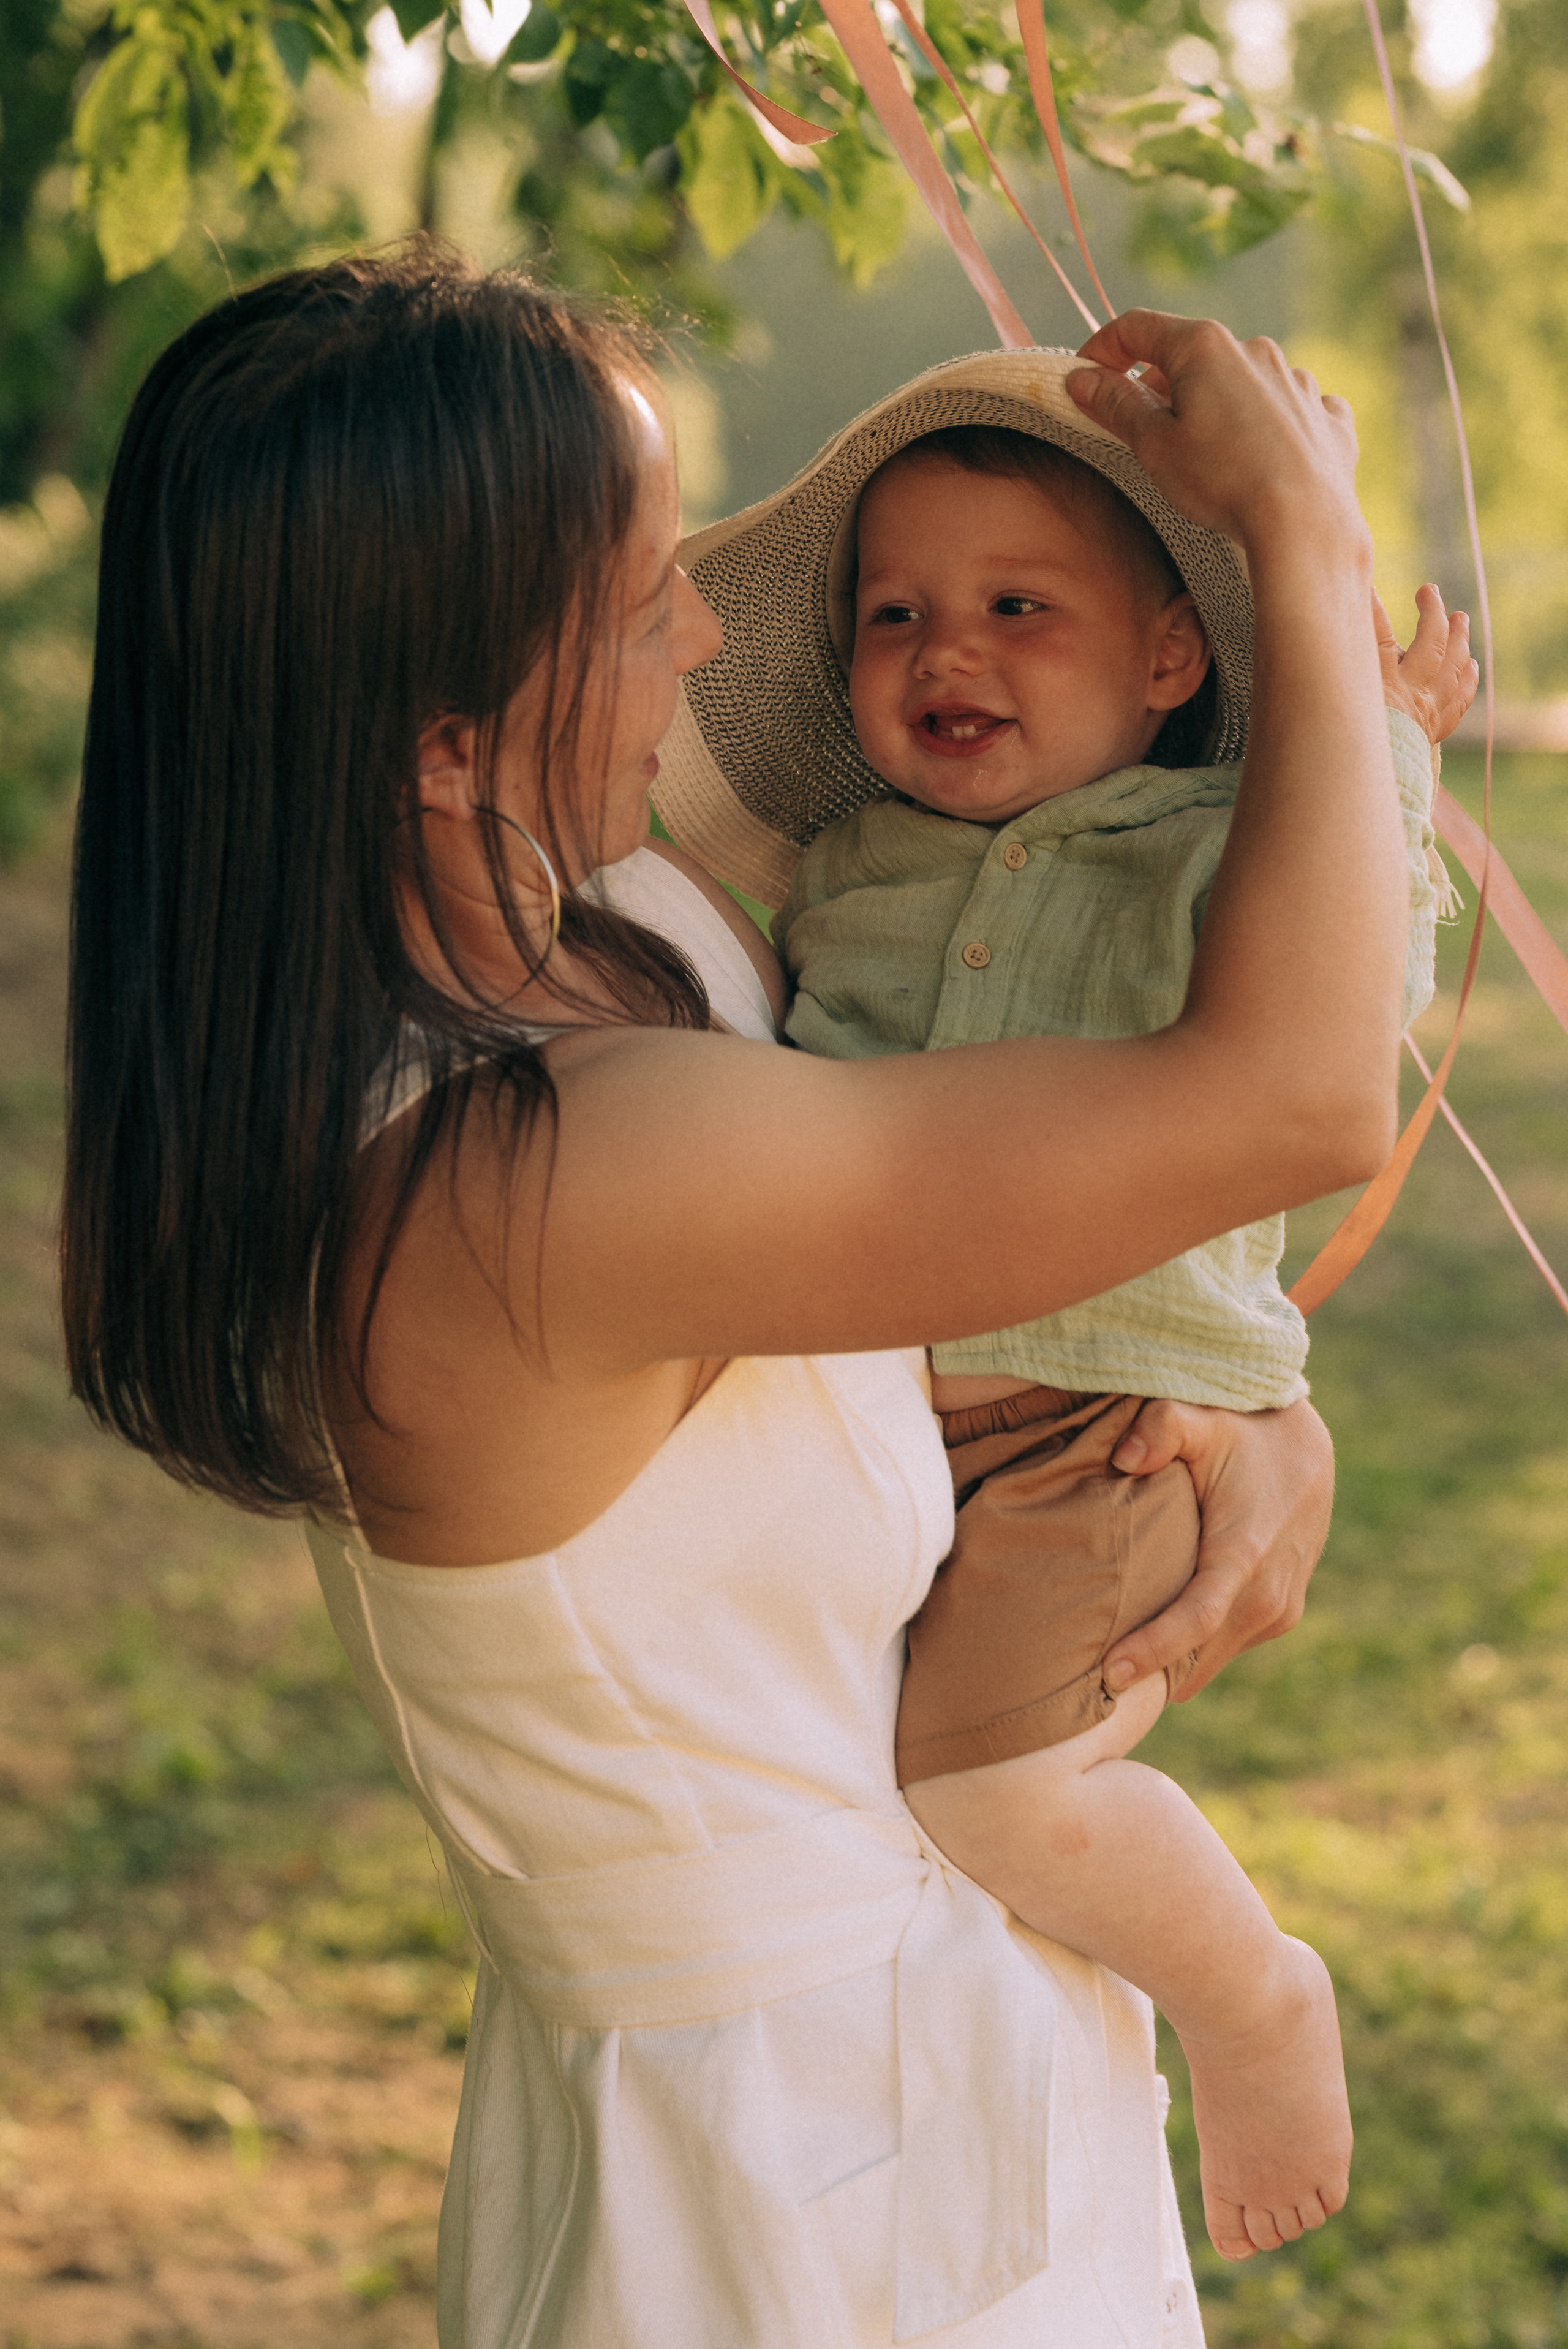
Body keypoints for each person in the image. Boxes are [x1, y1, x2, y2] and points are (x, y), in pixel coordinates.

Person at [62, 248, 1411, 2349]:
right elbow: (1296, 1092)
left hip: (920, 2054)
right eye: (639, 606)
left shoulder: (602, 939)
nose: (707, 634)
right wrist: (1304, 555)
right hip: (783, 2203)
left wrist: (1260, 1402)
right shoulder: (539, 1175)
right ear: (442, 739)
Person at [652, 357, 1476, 2264]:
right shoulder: (840, 861)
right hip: (881, 1430)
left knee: (991, 1781)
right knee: (875, 1787)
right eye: (897, 615)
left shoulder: (1212, 847)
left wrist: (1387, 750)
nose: (952, 649)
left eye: (1022, 605)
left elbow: (1368, 960)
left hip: (1090, 1430)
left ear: (1176, 657)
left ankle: (1255, 1991)